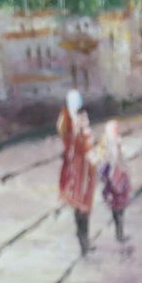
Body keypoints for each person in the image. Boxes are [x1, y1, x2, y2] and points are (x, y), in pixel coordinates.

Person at [57, 89, 98, 256]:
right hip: (79, 168)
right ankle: (83, 241)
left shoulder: (77, 119)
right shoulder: (67, 121)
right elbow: (75, 145)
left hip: (84, 168)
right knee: (80, 203)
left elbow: (86, 142)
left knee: (84, 203)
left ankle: (85, 240)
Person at [96, 120, 131, 242]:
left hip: (120, 176)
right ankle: (119, 233)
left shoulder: (117, 141)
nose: (117, 131)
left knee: (121, 206)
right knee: (116, 206)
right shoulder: (106, 143)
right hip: (112, 177)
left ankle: (120, 232)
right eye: (115, 129)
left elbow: (122, 158)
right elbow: (104, 160)